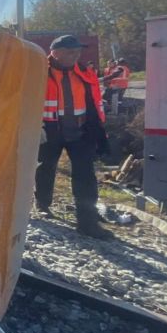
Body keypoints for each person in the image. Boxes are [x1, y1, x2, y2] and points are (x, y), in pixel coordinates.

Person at [34, 36, 112, 239]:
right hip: (48, 131)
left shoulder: (85, 73)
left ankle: (87, 222)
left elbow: (95, 101)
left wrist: (98, 129)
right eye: (71, 51)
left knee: (85, 176)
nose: (76, 55)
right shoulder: (38, 70)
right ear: (55, 52)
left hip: (80, 132)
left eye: (78, 51)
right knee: (45, 168)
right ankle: (42, 203)